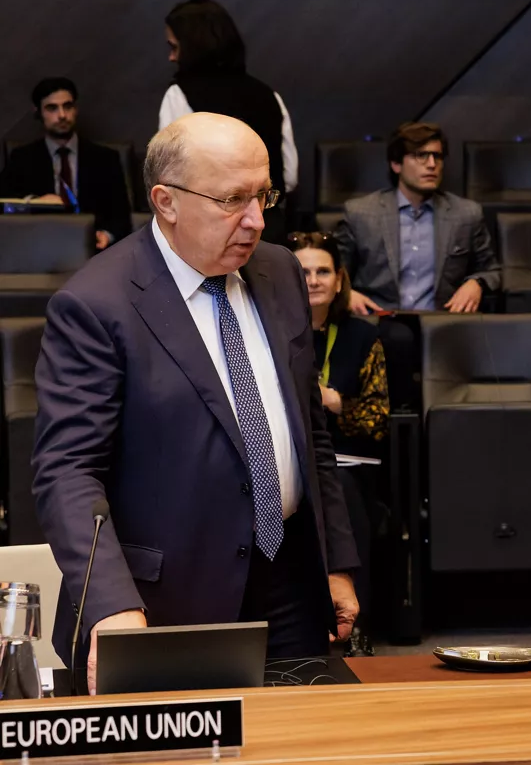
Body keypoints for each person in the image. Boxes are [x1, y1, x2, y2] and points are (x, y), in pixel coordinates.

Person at [32, 113, 359, 694]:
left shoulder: (280, 270)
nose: (257, 220)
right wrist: (108, 601)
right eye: (233, 199)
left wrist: (334, 560)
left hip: (288, 583)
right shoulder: (96, 304)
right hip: (161, 600)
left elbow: (309, 431)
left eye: (263, 195)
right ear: (166, 201)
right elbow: (68, 472)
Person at [289, 231, 389, 658]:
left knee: (342, 493)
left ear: (340, 279)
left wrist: (334, 401)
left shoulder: (362, 337)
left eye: (322, 271)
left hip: (351, 462)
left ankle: (351, 625)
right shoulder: (271, 331)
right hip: (290, 461)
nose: (313, 280)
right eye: (303, 271)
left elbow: (377, 420)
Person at [160, 0, 297, 240]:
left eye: (174, 47)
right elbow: (290, 177)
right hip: (265, 230)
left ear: (192, 48)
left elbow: (168, 176)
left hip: (209, 235)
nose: (171, 57)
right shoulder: (270, 96)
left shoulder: (179, 95)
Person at [334, 122, 500, 314]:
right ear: (396, 164)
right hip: (379, 323)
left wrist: (476, 283)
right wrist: (345, 293)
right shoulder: (360, 214)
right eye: (421, 156)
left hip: (441, 325)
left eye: (437, 156)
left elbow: (491, 271)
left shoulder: (466, 214)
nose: (431, 165)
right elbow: (332, 273)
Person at [0, 77, 132, 249]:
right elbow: (6, 205)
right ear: (38, 113)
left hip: (94, 248)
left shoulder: (106, 158)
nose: (62, 115)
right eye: (52, 108)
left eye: (67, 106)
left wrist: (107, 235)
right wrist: (36, 202)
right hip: (40, 246)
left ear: (75, 109)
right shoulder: (22, 158)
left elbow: (122, 214)